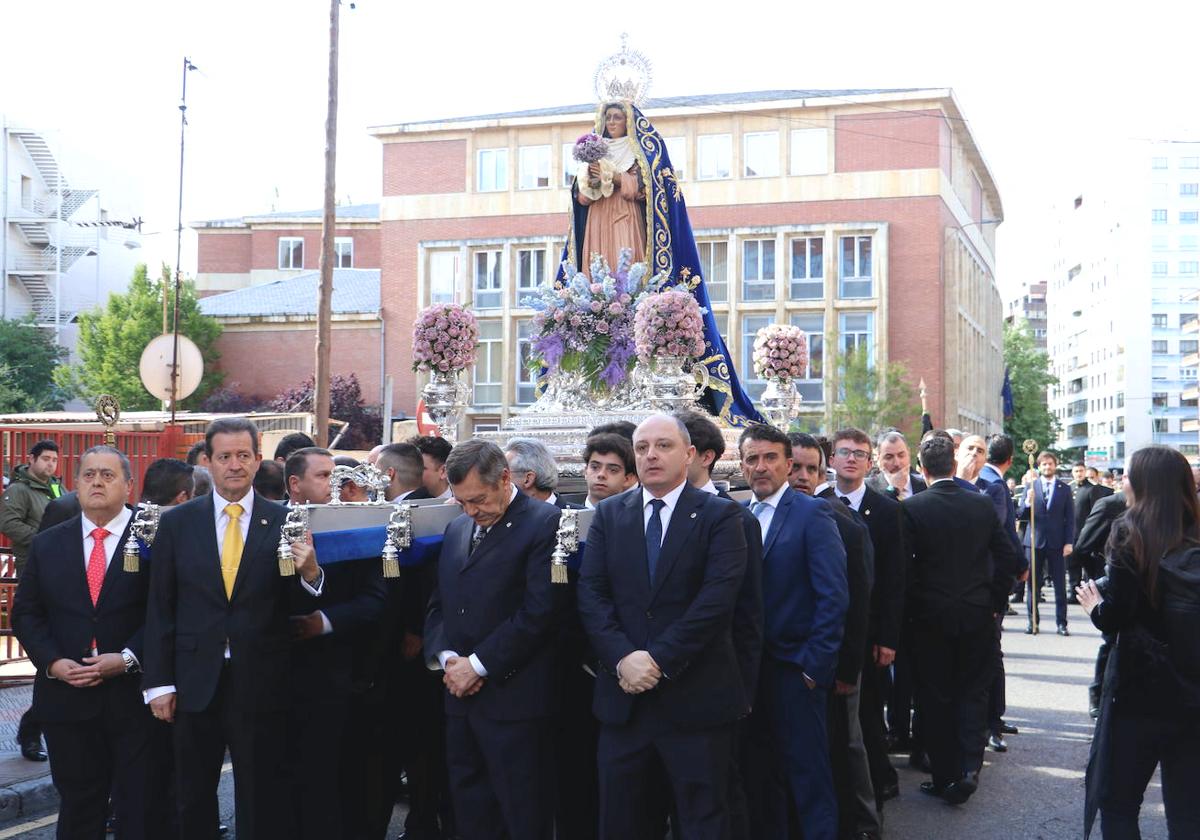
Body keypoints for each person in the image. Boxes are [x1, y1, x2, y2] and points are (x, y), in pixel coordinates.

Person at [142, 417, 326, 840]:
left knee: (263, 796)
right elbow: (161, 609)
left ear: (259, 459)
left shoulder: (284, 521)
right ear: (207, 461)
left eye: (244, 455)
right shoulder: (177, 523)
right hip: (193, 681)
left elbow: (295, 606)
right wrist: (159, 684)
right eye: (224, 456)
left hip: (261, 681)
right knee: (192, 796)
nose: (235, 465)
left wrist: (311, 574)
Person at [578, 414, 750, 839]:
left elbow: (716, 601)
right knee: (623, 821)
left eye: (663, 446)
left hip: (695, 702)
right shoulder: (610, 515)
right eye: (642, 447)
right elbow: (592, 595)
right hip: (625, 704)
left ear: (689, 454)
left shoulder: (720, 516)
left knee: (702, 821)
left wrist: (656, 659)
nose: (651, 455)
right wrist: (623, 659)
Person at [12, 445, 171, 838]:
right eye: (88, 475)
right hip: (68, 700)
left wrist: (131, 658)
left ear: (129, 485)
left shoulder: (156, 539)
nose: (97, 482)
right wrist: (51, 662)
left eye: (108, 475)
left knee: (139, 806)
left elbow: (168, 611)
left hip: (134, 699)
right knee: (80, 806)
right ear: (76, 484)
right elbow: (27, 613)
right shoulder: (49, 543)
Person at [424, 440, 567, 840]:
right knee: (470, 813)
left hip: (516, 701)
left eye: (479, 500)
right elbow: (440, 605)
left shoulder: (545, 522)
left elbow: (540, 611)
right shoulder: (458, 528)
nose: (472, 511)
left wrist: (478, 664)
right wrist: (451, 658)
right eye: (462, 501)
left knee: (522, 814)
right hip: (460, 698)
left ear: (506, 479)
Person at [1079, 445, 1200, 839]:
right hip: (1193, 693)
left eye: (1128, 475)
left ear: (1146, 484)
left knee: (1119, 804)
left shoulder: (1130, 533)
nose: (1123, 481)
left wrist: (1095, 606)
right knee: (1187, 813)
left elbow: (1117, 617)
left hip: (1139, 693)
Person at [901, 435, 1022, 806]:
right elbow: (1011, 562)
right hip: (977, 615)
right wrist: (994, 602)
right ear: (955, 466)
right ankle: (969, 769)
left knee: (935, 697)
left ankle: (944, 776)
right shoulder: (982, 505)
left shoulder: (912, 508)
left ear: (921, 470)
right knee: (973, 692)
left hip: (929, 618)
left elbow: (905, 571)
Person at [738, 425, 846, 840]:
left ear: (787, 463)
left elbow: (833, 596)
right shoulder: (737, 515)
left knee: (809, 779)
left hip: (795, 673)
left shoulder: (812, 513)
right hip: (748, 675)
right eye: (752, 459)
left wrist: (813, 668)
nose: (761, 467)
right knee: (760, 779)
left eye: (769, 458)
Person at [283, 447, 387, 840]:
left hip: (331, 677)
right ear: (295, 484)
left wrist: (321, 616)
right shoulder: (265, 521)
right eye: (324, 476)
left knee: (328, 782)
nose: (337, 485)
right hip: (271, 676)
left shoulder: (353, 525)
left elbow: (374, 601)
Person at [678, 409, 764, 840]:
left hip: (717, 686)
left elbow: (746, 614)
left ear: (702, 456)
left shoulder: (735, 518)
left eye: (673, 448)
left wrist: (743, 688)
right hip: (662, 692)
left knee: (719, 795)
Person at [819, 428, 904, 809]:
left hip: (868, 632)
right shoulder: (819, 504)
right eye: (844, 452)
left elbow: (894, 579)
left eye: (859, 453)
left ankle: (877, 781)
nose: (851, 459)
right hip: (829, 628)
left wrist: (887, 637)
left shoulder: (886, 510)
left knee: (868, 713)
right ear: (832, 460)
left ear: (870, 463)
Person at [2, 439, 64, 763]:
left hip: (63, 576)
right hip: (34, 575)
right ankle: (31, 732)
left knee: (54, 666)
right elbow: (8, 523)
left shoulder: (57, 488)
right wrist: (43, 540)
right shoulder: (20, 490)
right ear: (32, 460)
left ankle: (38, 730)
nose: (51, 465)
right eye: (46, 459)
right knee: (49, 665)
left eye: (55, 460)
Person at [979, 435, 1027, 752]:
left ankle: (993, 718)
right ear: (1009, 459)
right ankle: (991, 722)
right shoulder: (992, 486)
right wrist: (1017, 564)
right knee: (991, 655)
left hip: (992, 580)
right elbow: (999, 534)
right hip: (988, 581)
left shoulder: (990, 483)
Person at [1075, 476, 1129, 720]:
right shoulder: (1110, 504)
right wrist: (1103, 569)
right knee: (1111, 640)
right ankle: (1098, 694)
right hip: (1111, 579)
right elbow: (1084, 544)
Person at [573, 102, 647, 275]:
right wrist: (593, 180)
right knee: (598, 260)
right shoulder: (594, 150)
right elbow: (582, 198)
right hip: (598, 214)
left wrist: (615, 177)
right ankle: (598, 300)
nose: (612, 122)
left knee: (626, 259)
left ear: (628, 121)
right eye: (608, 118)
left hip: (624, 211)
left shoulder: (638, 152)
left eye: (617, 117)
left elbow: (646, 190)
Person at [1018, 451, 1075, 635]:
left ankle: (1061, 623)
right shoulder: (1031, 486)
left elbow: (1070, 518)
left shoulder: (1064, 488)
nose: (1047, 467)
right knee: (1032, 585)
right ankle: (1032, 622)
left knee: (1059, 585)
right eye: (1044, 464)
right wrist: (1027, 502)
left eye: (1050, 464)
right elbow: (1021, 515)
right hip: (1034, 542)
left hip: (1057, 543)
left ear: (1055, 465)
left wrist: (1069, 542)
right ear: (1039, 466)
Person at [1069, 465, 1114, 597]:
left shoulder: (1092, 489)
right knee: (1072, 565)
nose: (1079, 474)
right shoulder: (1069, 489)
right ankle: (1073, 591)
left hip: (1086, 533)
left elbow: (1096, 513)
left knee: (1090, 566)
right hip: (1071, 533)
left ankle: (1092, 591)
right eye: (1076, 471)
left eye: (1081, 471)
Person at [505, 437, 574, 507]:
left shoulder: (579, 515)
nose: (500, 481)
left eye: (505, 475)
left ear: (528, 479)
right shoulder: (504, 516)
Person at [582, 433, 638, 509]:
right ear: (585, 471)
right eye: (595, 467)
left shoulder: (638, 519)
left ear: (627, 479)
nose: (601, 474)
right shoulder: (564, 515)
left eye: (613, 470)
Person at [868, 431, 926, 500]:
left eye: (901, 455)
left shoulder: (925, 486)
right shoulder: (868, 488)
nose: (897, 463)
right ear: (878, 458)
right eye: (889, 457)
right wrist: (892, 489)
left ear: (908, 453)